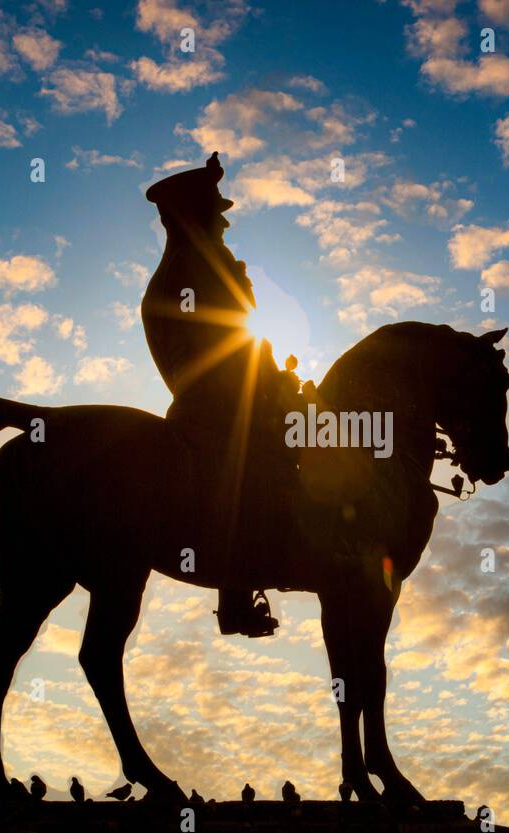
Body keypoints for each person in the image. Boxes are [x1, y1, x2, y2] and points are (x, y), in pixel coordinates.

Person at [141, 153, 303, 637]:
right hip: (216, 405)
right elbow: (224, 347)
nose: (225, 221)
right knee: (261, 462)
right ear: (193, 217)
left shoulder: (197, 269)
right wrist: (269, 385)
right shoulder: (193, 274)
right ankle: (238, 592)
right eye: (217, 213)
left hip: (226, 395)